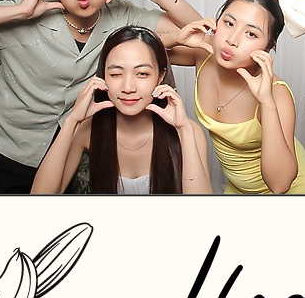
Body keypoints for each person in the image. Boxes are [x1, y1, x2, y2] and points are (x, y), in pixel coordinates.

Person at [0, 0, 208, 195]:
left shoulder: (122, 16)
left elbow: (202, 36)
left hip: (58, 155)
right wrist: (18, 12)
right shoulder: (28, 12)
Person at [166, 0, 305, 194]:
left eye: (251, 34)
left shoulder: (276, 94)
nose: (232, 40)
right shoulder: (205, 53)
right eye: (229, 23)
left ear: (268, 46)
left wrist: (266, 103)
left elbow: (280, 185)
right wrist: (175, 38)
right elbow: (142, 56)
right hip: (237, 189)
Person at [31, 26, 212, 195]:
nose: (128, 88)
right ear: (103, 77)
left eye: (142, 74)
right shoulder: (87, 128)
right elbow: (40, 198)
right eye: (116, 74)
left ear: (160, 76)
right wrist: (72, 121)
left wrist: (183, 130)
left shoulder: (189, 131)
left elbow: (203, 211)